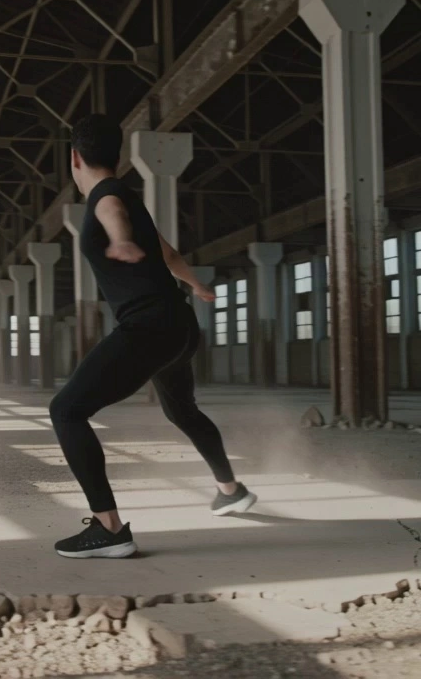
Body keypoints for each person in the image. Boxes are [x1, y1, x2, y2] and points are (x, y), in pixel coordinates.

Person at [49, 114, 257, 559]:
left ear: (75, 158)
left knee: (66, 410)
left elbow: (113, 213)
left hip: (149, 327)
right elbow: (169, 253)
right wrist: (196, 285)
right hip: (179, 325)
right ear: (120, 155)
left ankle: (109, 529)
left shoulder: (107, 197)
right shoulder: (129, 196)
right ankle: (231, 490)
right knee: (183, 411)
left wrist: (120, 238)